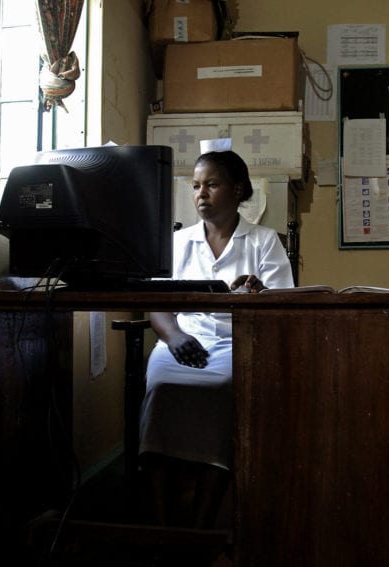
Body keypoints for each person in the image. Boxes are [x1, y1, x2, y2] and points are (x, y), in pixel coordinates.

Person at [138, 149, 295, 530]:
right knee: (160, 383)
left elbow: (284, 303)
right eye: (195, 186)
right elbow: (155, 301)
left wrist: (258, 294)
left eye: (212, 184)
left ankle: (200, 527)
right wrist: (174, 336)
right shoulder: (177, 242)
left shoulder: (263, 241)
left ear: (238, 190)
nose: (200, 194)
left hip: (236, 342)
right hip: (181, 340)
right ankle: (163, 531)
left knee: (225, 387)